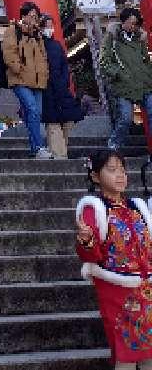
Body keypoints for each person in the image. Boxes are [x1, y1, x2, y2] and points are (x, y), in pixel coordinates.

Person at [76, 148, 152, 368]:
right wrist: (86, 240)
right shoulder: (94, 208)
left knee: (150, 352)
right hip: (116, 289)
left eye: (122, 170)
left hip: (146, 287)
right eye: (112, 170)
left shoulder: (137, 206)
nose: (120, 175)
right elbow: (90, 254)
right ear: (95, 176)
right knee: (125, 351)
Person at [1, 0, 53, 159]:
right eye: (31, 16)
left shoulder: (37, 35)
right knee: (32, 109)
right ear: (23, 16)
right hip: (20, 79)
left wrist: (44, 73)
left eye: (36, 16)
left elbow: (43, 57)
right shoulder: (12, 31)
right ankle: (38, 147)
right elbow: (9, 53)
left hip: (37, 81)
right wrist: (19, 69)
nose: (34, 19)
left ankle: (35, 148)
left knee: (36, 112)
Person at [100, 7, 152, 151]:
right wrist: (118, 74)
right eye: (130, 23)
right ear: (122, 22)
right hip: (123, 86)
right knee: (125, 118)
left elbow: (146, 60)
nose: (132, 26)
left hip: (144, 83)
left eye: (135, 23)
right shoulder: (112, 38)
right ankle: (114, 145)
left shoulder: (140, 39)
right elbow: (104, 61)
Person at [40, 13, 82, 158]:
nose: (50, 29)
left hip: (61, 88)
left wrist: (64, 81)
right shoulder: (37, 45)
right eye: (47, 26)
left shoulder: (57, 45)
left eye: (51, 26)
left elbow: (65, 65)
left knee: (69, 119)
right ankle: (59, 154)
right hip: (46, 89)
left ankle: (63, 150)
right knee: (52, 123)